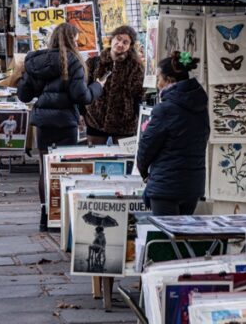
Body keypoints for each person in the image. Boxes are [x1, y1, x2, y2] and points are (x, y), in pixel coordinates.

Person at [17, 23, 108, 231]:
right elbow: (81, 96)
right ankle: (61, 217)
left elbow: (24, 95)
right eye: (76, 39)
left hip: (43, 121)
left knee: (45, 167)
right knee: (65, 169)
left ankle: (45, 215)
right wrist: (98, 87)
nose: (78, 43)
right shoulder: (74, 61)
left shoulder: (35, 61)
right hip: (66, 121)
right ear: (70, 39)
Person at [137, 51, 209, 216]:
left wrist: (144, 173)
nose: (157, 83)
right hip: (193, 184)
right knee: (182, 237)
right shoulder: (200, 107)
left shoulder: (165, 109)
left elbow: (146, 147)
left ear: (169, 81)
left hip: (166, 186)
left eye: (158, 79)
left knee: (166, 237)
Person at [83, 25, 144, 144]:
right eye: (118, 39)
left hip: (124, 124)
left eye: (125, 42)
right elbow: (83, 90)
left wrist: (139, 120)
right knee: (94, 159)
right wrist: (82, 113)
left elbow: (138, 95)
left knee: (124, 160)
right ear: (112, 40)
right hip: (95, 121)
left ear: (130, 46)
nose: (120, 44)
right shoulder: (93, 63)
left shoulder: (136, 67)